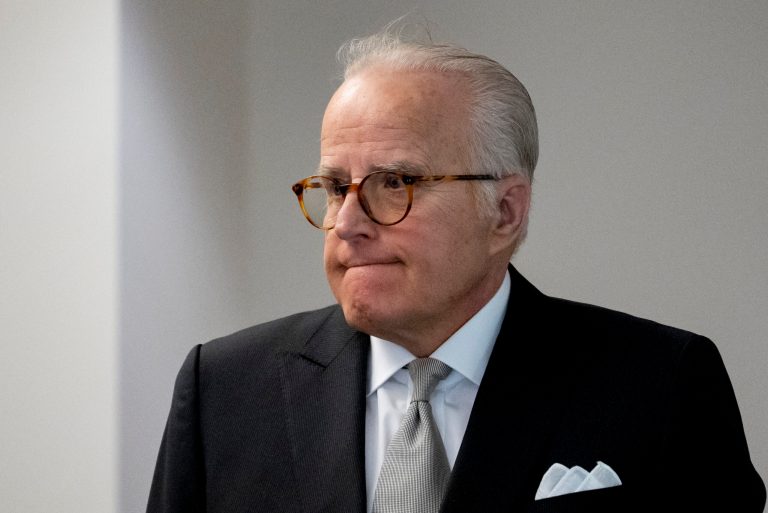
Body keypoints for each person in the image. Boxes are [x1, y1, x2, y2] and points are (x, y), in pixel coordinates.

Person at [147, 27, 765, 513]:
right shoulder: (225, 391)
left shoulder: (661, 385)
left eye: (395, 183)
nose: (348, 222)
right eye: (335, 187)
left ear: (505, 210)